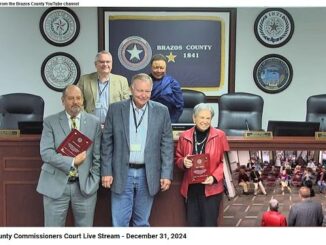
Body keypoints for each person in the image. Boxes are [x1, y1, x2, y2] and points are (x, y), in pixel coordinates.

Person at [101, 73, 173, 227]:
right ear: (131, 89)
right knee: (119, 223)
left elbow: (166, 145)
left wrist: (166, 174)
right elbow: (106, 143)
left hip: (147, 174)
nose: (143, 95)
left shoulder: (162, 111)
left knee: (141, 223)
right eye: (140, 90)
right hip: (121, 173)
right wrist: (106, 171)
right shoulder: (115, 109)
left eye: (147, 91)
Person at [36, 85, 101, 226]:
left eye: (78, 98)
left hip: (84, 187)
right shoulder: (50, 121)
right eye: (70, 98)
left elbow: (97, 156)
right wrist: (72, 161)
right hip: (55, 185)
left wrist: (94, 181)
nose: (75, 102)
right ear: (63, 101)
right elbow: (46, 153)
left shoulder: (94, 122)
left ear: (83, 100)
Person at [175, 103, 229, 226]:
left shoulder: (220, 136)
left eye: (208, 118)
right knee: (193, 225)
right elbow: (177, 159)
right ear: (194, 118)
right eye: (201, 117)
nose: (204, 121)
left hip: (211, 189)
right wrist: (183, 162)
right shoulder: (184, 137)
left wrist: (214, 177)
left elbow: (224, 162)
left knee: (209, 225)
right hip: (191, 190)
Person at [78, 50, 130, 124]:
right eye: (101, 62)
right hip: (90, 124)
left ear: (111, 64)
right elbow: (79, 103)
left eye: (108, 62)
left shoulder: (122, 81)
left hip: (114, 125)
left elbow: (126, 105)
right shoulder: (84, 80)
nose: (105, 64)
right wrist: (86, 120)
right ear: (95, 64)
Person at [149, 54, 184, 123]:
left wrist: (169, 123)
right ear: (151, 67)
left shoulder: (173, 83)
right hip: (147, 120)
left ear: (166, 68)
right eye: (155, 67)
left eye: (161, 68)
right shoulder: (143, 82)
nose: (159, 71)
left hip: (167, 121)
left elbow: (179, 107)